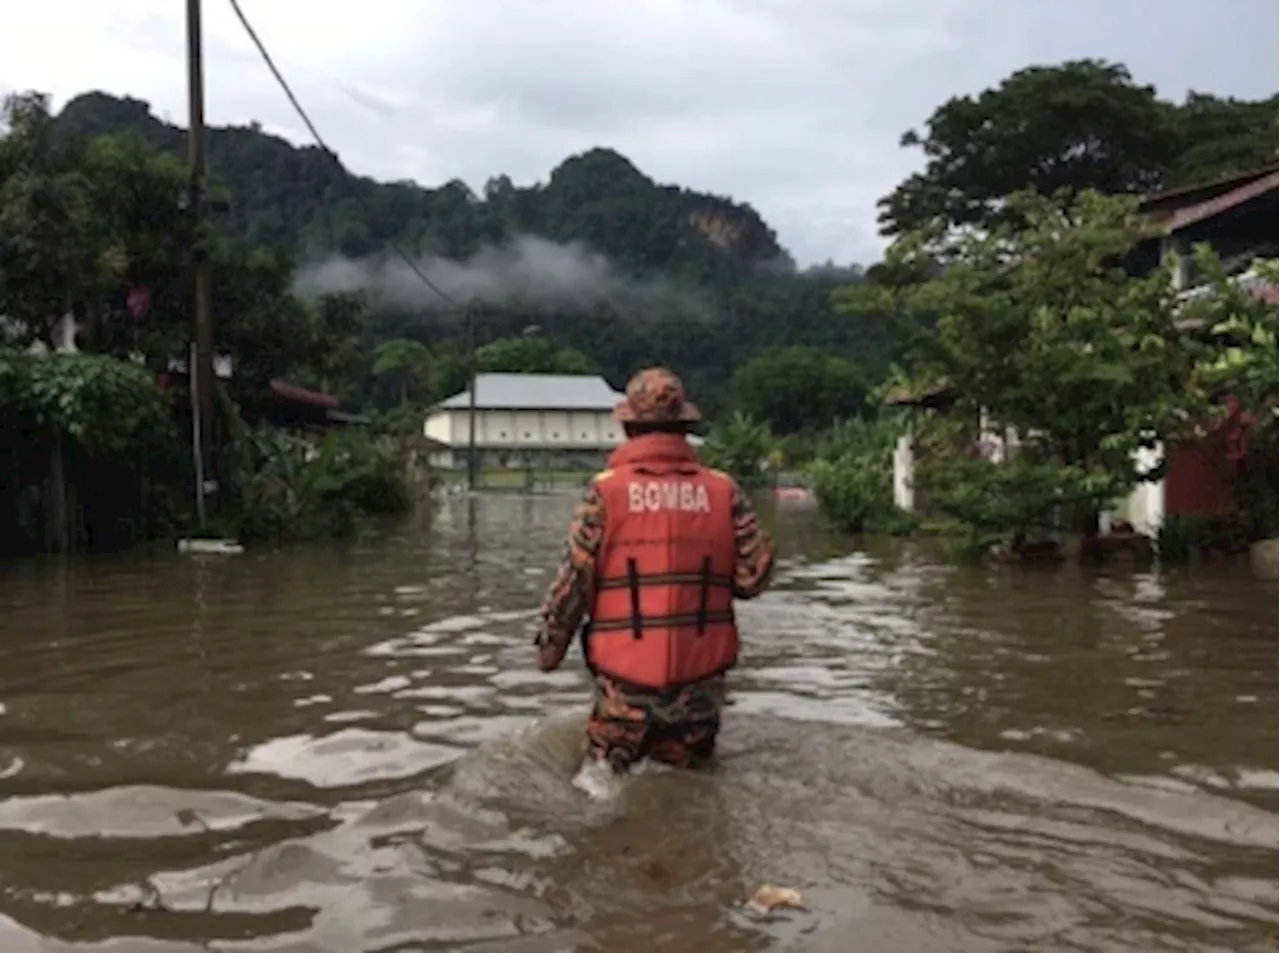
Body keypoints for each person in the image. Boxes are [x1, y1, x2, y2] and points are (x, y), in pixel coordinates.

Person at [533, 367, 776, 773]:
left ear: (628, 427)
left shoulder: (604, 493)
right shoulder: (725, 491)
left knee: (603, 791)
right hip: (699, 692)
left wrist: (549, 650)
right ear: (684, 428)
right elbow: (753, 579)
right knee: (692, 790)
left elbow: (574, 584)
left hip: (624, 689)